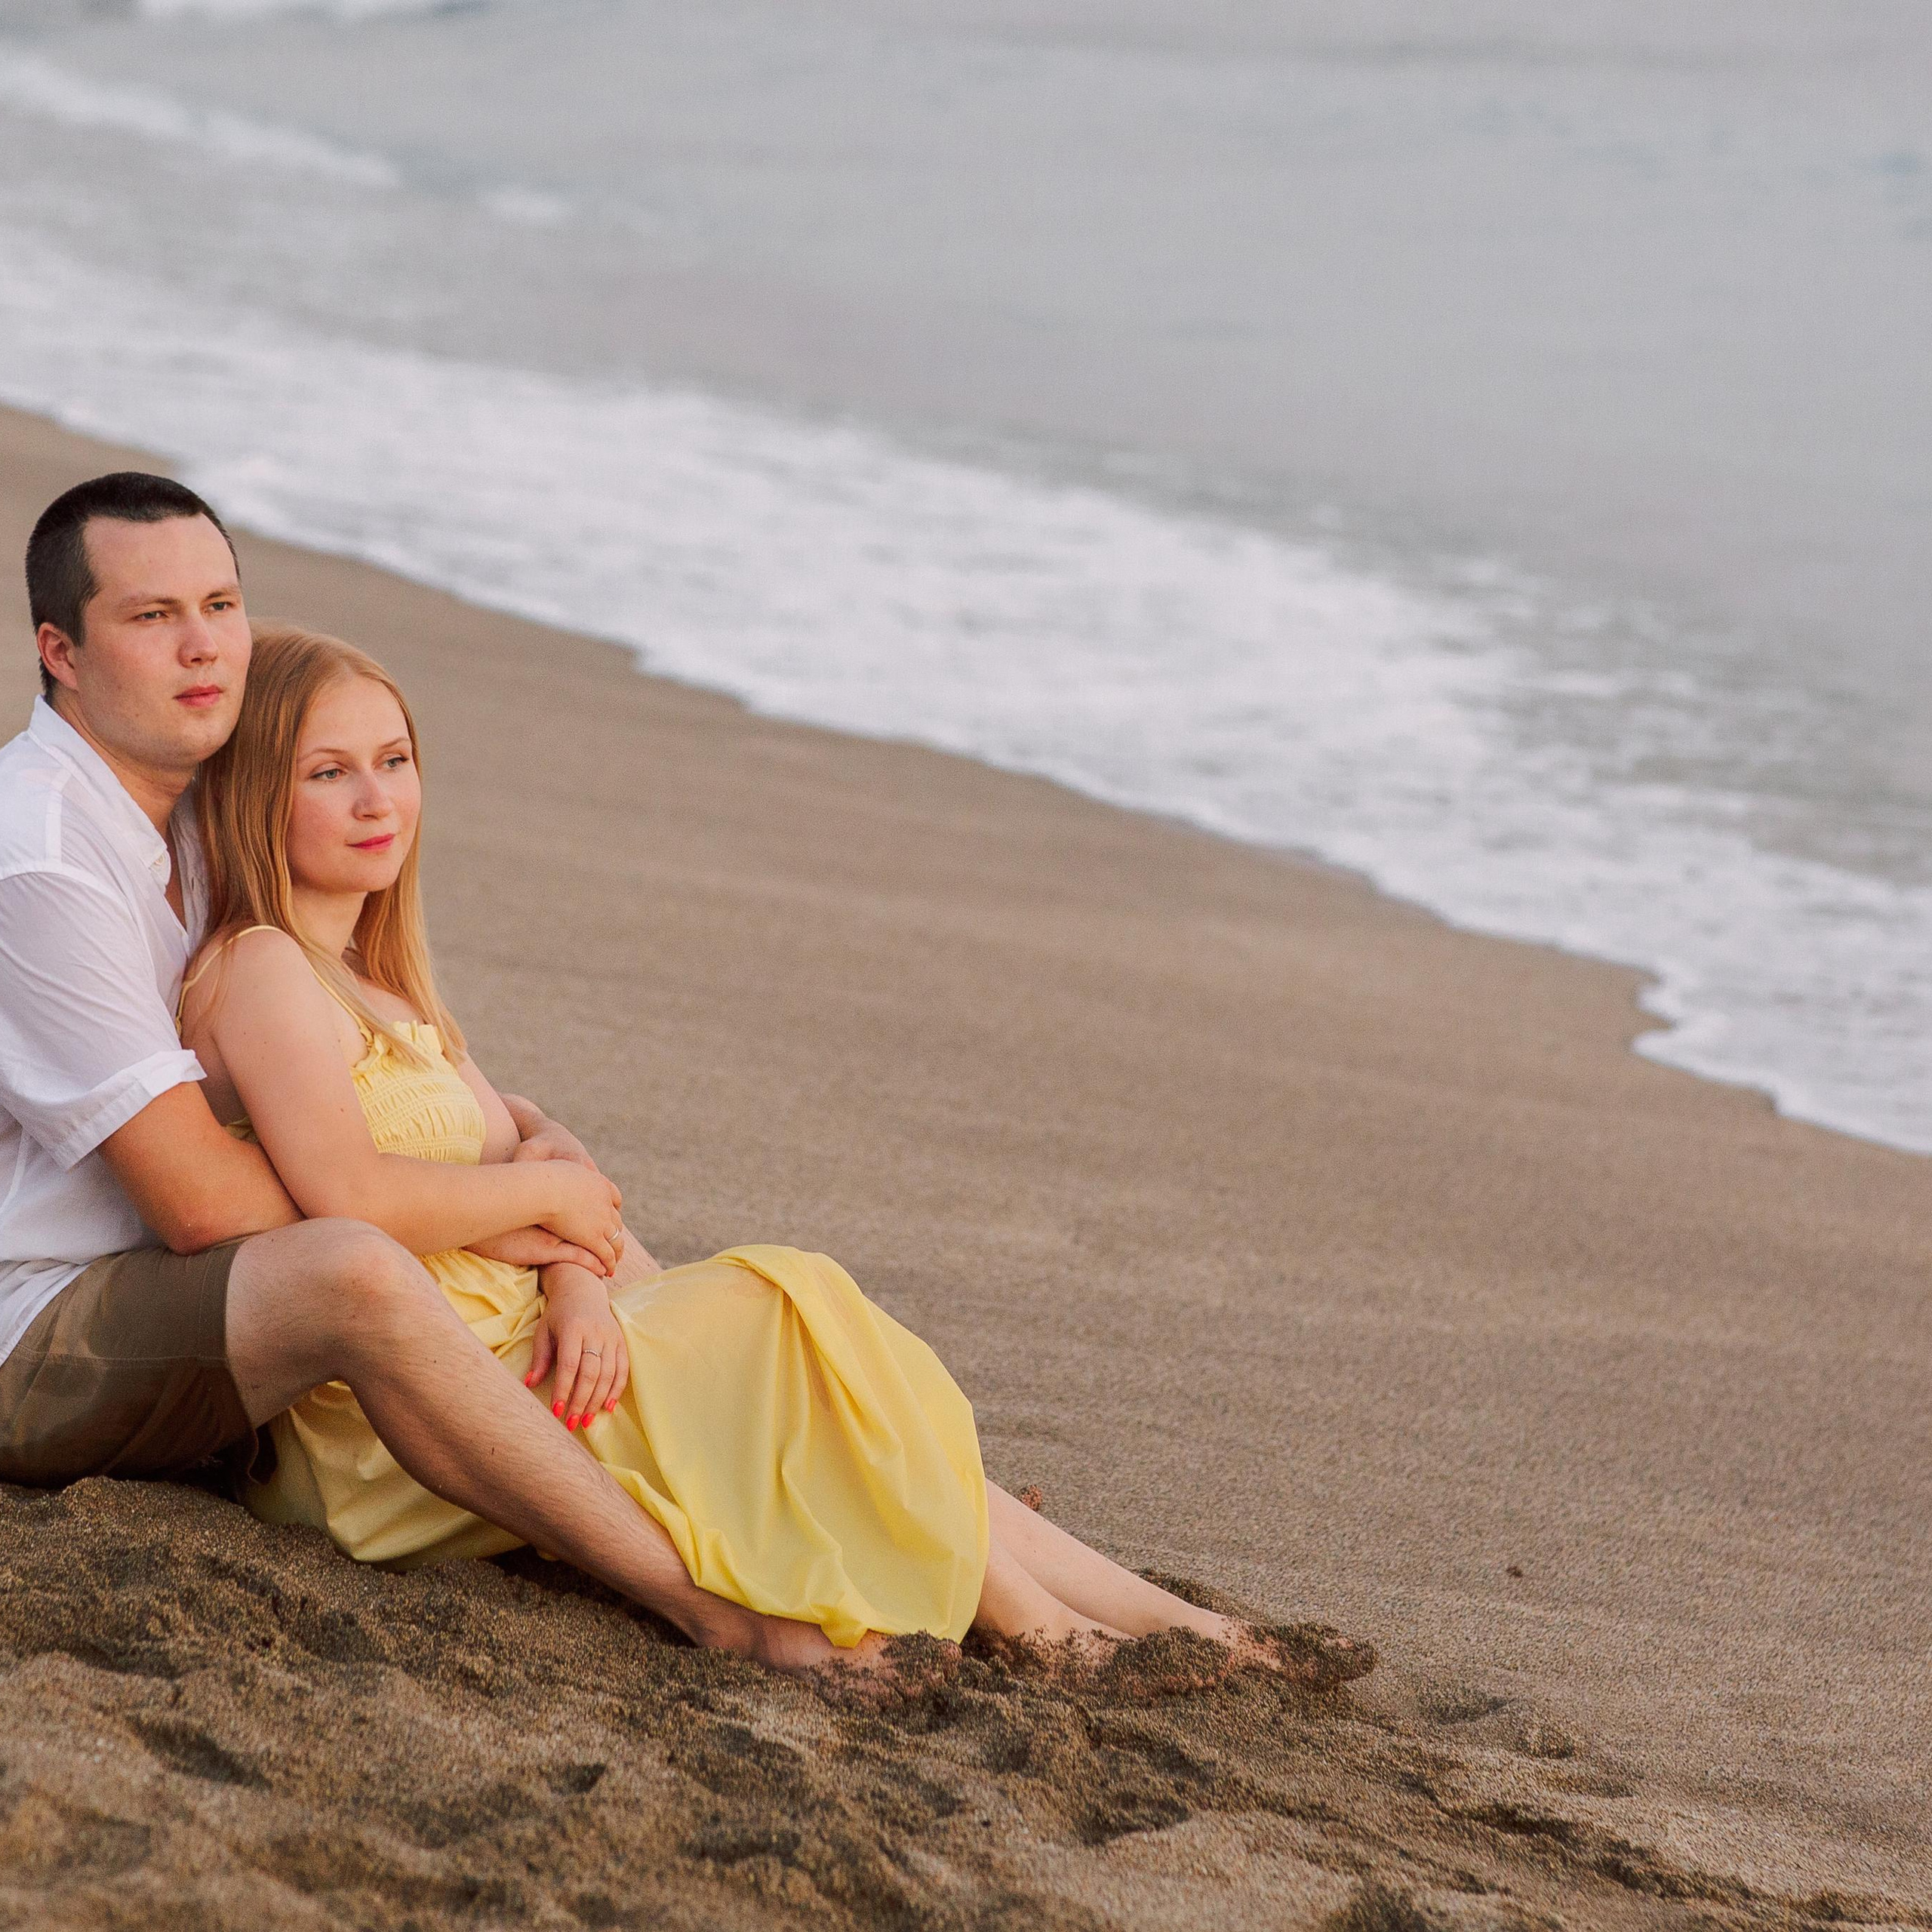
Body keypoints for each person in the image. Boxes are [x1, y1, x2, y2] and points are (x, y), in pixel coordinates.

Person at [177, 622, 1370, 1679]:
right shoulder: (262, 968)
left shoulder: (386, 984)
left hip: (544, 1349)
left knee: (819, 1343)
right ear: (255, 798)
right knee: (786, 1308)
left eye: (394, 762)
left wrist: (578, 1276)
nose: (376, 798)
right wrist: (545, 1196)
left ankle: (1158, 1626)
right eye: (327, 773)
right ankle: (1050, 1628)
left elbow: (536, 1143)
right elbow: (355, 1193)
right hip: (413, 1415)